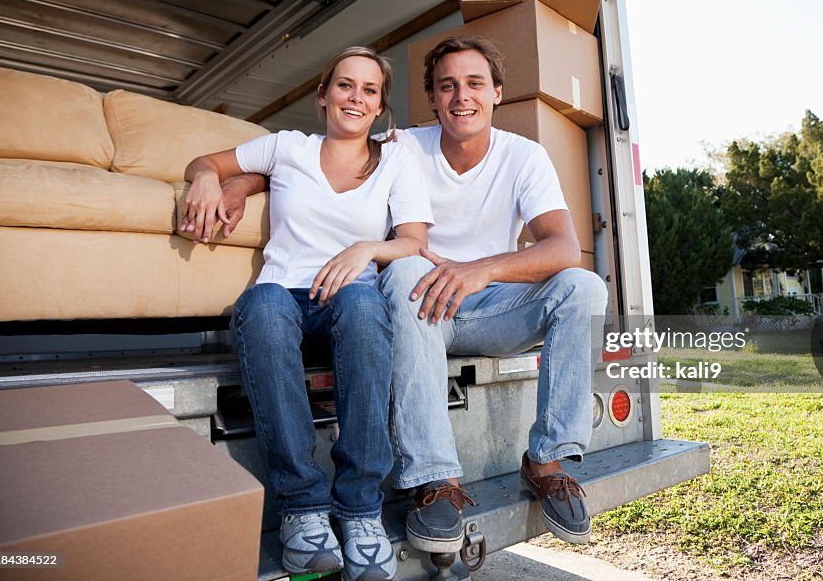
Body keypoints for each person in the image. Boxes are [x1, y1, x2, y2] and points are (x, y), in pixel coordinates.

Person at [220, 36, 609, 553]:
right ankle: (436, 481)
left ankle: (547, 461)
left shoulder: (525, 157)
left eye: (474, 84)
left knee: (583, 286)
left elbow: (564, 247)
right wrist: (232, 185)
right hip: (420, 311)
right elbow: (316, 163)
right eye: (447, 86)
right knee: (403, 271)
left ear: (496, 93)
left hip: (492, 307)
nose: (461, 97)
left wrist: (480, 271)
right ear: (432, 98)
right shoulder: (402, 148)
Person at [181, 46, 432, 580]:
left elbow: (412, 242)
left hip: (349, 300)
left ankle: (361, 510)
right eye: (345, 85)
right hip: (284, 297)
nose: (355, 98)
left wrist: (366, 249)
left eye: (369, 90)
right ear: (323, 96)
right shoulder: (287, 148)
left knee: (365, 304)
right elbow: (208, 162)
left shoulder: (397, 160)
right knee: (263, 303)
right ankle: (303, 509)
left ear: (381, 105)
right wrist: (208, 179)